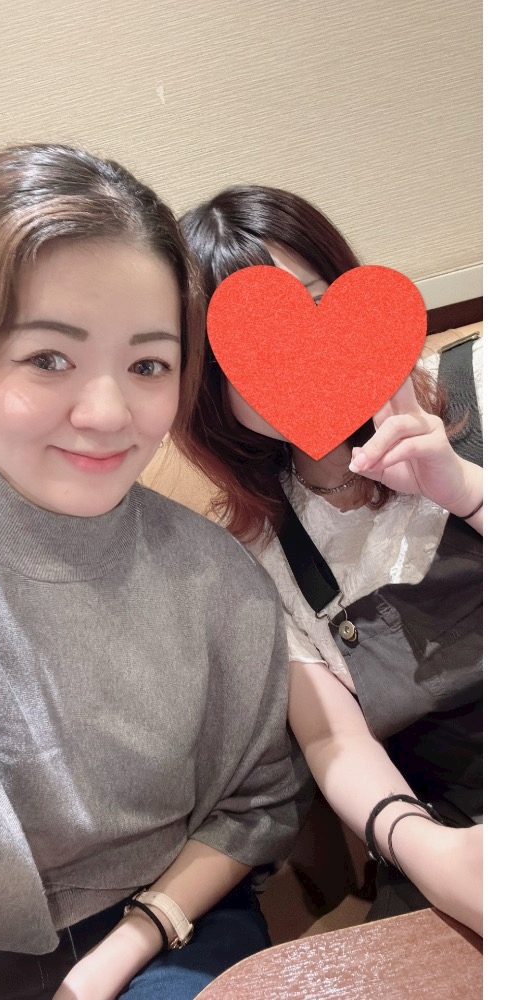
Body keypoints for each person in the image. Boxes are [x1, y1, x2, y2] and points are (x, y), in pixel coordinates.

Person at [0, 147, 310, 1000]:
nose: (105, 414)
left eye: (147, 365)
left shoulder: (217, 578)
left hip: (168, 924)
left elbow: (257, 803)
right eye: (48, 359)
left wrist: (128, 947)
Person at [176, 184, 483, 936]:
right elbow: (330, 737)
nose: (298, 363)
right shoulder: (253, 554)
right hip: (457, 825)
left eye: (315, 307)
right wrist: (433, 855)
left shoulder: (488, 383)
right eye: (251, 350)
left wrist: (467, 490)